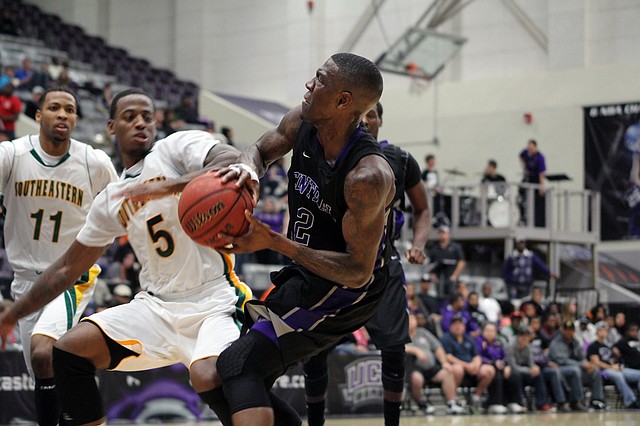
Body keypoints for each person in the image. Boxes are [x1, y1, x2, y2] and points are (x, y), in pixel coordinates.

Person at [0, 88, 252, 426]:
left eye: (147, 117)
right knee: (68, 351)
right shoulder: (114, 196)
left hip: (212, 301)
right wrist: (11, 315)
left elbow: (231, 159)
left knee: (210, 378)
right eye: (130, 117)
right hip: (156, 306)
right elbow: (65, 268)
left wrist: (171, 186)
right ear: (111, 127)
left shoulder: (174, 149)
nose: (140, 123)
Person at [184, 53, 391, 426]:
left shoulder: (367, 176)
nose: (309, 86)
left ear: (344, 100)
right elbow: (261, 150)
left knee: (236, 365)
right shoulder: (303, 121)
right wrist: (247, 172)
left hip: (345, 293)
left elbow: (358, 271)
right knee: (211, 374)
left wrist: (275, 242)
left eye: (319, 79)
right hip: (304, 273)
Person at [300, 101, 431, 426]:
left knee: (394, 348)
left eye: (372, 115)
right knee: (315, 349)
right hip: (331, 265)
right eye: (360, 116)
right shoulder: (327, 153)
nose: (366, 121)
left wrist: (417, 245)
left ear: (381, 121)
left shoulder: (399, 160)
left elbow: (423, 208)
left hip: (381, 267)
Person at [0, 87, 118, 426]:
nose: (63, 114)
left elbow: (117, 213)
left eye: (70, 109)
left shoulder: (93, 161)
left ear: (76, 118)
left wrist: (88, 255)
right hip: (24, 282)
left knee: (43, 352)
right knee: (46, 371)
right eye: (54, 107)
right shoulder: (13, 155)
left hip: (70, 277)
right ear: (38, 116)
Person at [405, 312, 465, 415]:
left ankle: (452, 403)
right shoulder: (400, 334)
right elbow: (397, 346)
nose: (411, 322)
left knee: (447, 372)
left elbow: (438, 347)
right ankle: (421, 403)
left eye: (413, 319)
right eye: (408, 320)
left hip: (430, 367)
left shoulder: (423, 332)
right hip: (413, 367)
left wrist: (444, 362)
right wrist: (416, 350)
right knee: (417, 379)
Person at [548, 320, 606, 410]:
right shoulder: (556, 342)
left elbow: (582, 356)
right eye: (566, 330)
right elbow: (562, 360)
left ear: (574, 331)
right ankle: (577, 401)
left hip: (576, 369)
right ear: (562, 330)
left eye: (571, 330)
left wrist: (588, 364)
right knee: (575, 370)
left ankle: (596, 400)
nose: (568, 332)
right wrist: (582, 364)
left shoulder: (575, 342)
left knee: (595, 370)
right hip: (559, 370)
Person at [440, 315, 495, 411]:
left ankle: (476, 397)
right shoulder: (446, 338)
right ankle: (453, 399)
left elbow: (477, 356)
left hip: (472, 369)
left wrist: (476, 365)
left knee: (489, 370)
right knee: (457, 369)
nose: (458, 326)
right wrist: (467, 366)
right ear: (450, 326)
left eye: (460, 324)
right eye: (455, 324)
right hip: (458, 368)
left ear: (464, 326)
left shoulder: (468, 338)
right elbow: (448, 357)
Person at [587, 321, 640, 409]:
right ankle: (631, 401)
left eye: (605, 330)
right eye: (601, 330)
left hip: (614, 368)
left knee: (638, 374)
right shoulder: (593, 346)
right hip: (603, 372)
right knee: (618, 376)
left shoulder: (609, 346)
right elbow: (596, 362)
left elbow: (613, 360)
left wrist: (617, 365)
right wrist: (611, 367)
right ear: (597, 332)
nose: (603, 332)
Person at [475, 322, 525, 414]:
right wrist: (493, 363)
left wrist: (506, 365)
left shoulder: (497, 343)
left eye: (492, 331)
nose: (490, 333)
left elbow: (504, 357)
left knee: (514, 374)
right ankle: (494, 403)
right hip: (485, 367)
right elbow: (477, 356)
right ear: (483, 332)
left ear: (495, 333)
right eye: (488, 330)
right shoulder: (478, 342)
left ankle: (513, 402)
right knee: (496, 374)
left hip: (500, 366)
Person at [507, 326, 552, 411]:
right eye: (522, 335)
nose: (524, 338)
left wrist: (534, 368)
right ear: (517, 336)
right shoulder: (510, 347)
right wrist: (529, 370)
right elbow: (513, 367)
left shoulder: (528, 347)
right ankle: (520, 403)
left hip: (525, 372)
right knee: (517, 375)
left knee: (538, 374)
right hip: (513, 372)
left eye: (527, 336)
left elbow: (531, 363)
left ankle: (542, 403)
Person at [427, 225, 465, 298]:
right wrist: (433, 277)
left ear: (448, 234)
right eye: (440, 233)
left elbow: (461, 262)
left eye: (444, 233)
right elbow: (430, 265)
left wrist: (454, 276)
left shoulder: (455, 247)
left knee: (453, 296)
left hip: (451, 278)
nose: (442, 235)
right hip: (439, 280)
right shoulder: (435, 249)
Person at [519, 139, 547, 226]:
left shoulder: (540, 157)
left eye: (531, 148)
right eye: (528, 148)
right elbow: (520, 155)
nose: (529, 149)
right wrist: (524, 167)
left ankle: (536, 223)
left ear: (535, 147)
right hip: (528, 179)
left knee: (537, 202)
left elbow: (541, 173)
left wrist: (542, 187)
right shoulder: (527, 155)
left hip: (536, 181)